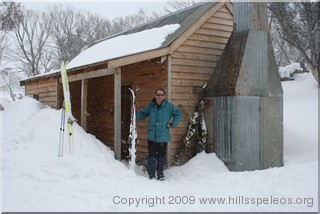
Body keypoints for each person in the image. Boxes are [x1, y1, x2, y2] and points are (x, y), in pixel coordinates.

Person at [137, 88, 182, 180]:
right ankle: (152, 175)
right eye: (158, 95)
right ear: (155, 95)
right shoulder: (151, 106)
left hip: (163, 136)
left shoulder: (169, 107)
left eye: (161, 95)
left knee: (161, 156)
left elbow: (178, 114)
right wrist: (134, 113)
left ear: (164, 96)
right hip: (152, 136)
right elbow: (142, 114)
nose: (159, 97)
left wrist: (172, 123)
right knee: (152, 156)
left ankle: (160, 174)